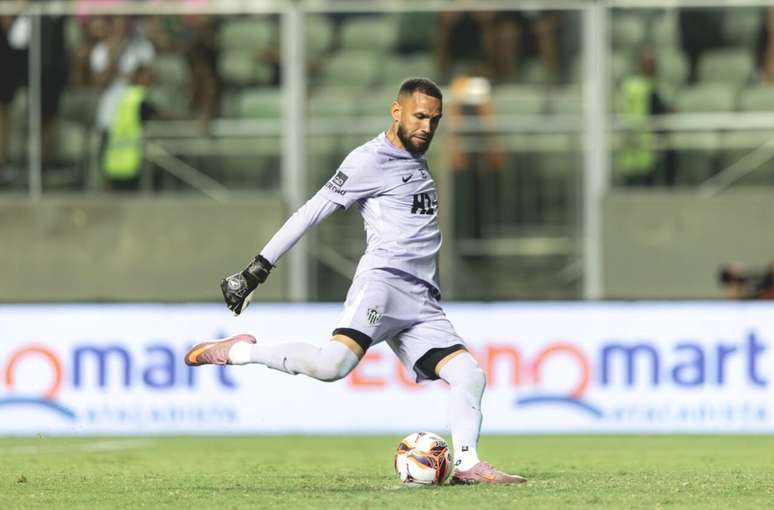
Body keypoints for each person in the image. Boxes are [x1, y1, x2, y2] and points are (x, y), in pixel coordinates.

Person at [184, 78, 527, 485]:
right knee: (331, 367)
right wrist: (259, 267)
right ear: (396, 111)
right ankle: (241, 352)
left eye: (434, 120)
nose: (426, 127)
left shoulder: (416, 157)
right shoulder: (368, 160)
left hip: (422, 300)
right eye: (419, 116)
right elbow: (312, 211)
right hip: (382, 284)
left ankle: (467, 464)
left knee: (470, 375)